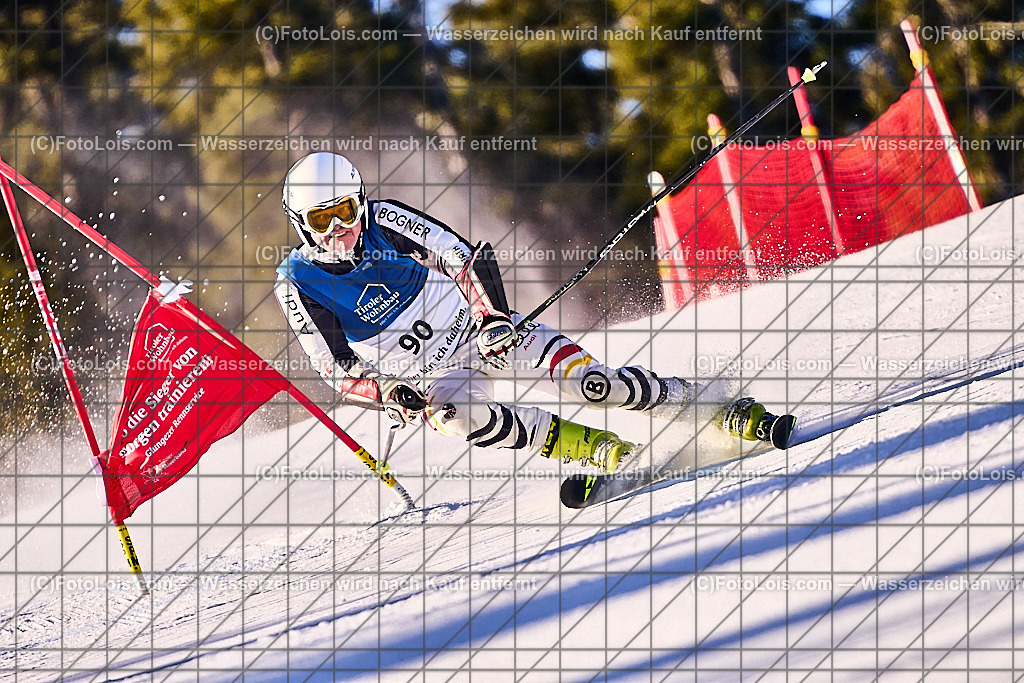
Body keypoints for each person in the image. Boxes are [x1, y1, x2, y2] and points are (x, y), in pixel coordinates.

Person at [275, 152, 778, 475]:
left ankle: (707, 407)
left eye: (345, 210)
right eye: (323, 218)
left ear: (360, 203)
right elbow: (336, 369)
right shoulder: (297, 281)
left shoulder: (385, 219)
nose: (339, 227)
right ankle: (594, 450)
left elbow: (462, 255)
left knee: (593, 386)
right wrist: (389, 393)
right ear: (302, 224)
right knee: (456, 419)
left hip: (478, 333)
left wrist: (492, 316)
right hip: (433, 378)